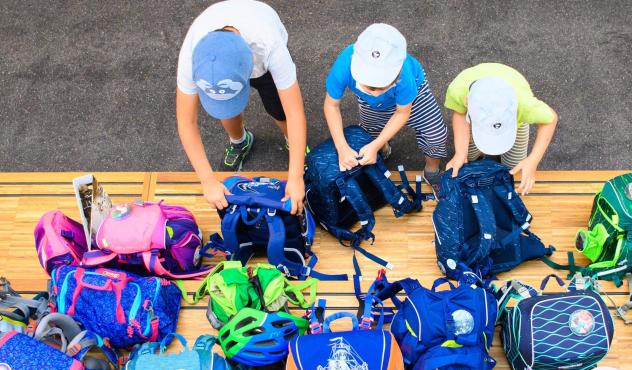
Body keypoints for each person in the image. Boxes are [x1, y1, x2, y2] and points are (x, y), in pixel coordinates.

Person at [175, 0, 306, 213]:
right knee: (228, 110)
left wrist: (296, 175)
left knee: (278, 109)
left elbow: (294, 112)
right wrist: (207, 181)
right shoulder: (192, 56)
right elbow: (186, 121)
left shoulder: (269, 45)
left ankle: (293, 142)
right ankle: (240, 141)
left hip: (262, 46)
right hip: (228, 50)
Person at [323, 23, 448, 184]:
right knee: (371, 133)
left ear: (396, 74)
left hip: (415, 97)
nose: (375, 93)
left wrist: (374, 145)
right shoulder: (344, 64)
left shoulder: (405, 75)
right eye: (369, 87)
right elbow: (331, 105)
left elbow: (402, 112)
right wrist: (342, 147)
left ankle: (432, 172)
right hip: (371, 105)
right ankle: (382, 149)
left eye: (382, 86)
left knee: (435, 135)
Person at [443, 63, 558, 195]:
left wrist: (532, 161)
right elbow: (460, 114)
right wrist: (460, 153)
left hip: (516, 118)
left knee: (515, 165)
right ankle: (475, 160)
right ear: (467, 102)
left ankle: (502, 170)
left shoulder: (525, 105)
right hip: (476, 116)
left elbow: (551, 119)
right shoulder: (458, 89)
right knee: (468, 156)